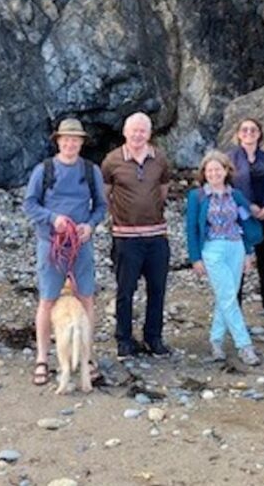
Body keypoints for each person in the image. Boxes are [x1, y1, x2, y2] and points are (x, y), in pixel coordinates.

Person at [24, 118, 106, 386]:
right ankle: (42, 359)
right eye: (66, 139)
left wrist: (90, 226)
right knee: (47, 300)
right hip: (51, 244)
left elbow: (101, 206)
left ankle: (87, 356)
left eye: (75, 139)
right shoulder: (44, 170)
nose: (70, 144)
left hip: (80, 244)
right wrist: (52, 219)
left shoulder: (91, 170)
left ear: (81, 142)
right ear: (58, 141)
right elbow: (30, 204)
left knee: (86, 298)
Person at [101, 112, 171, 360]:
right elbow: (105, 194)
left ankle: (154, 338)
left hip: (156, 235)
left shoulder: (160, 159)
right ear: (125, 132)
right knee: (125, 291)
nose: (138, 135)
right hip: (125, 237)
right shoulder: (111, 161)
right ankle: (124, 340)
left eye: (143, 131)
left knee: (157, 289)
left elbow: (163, 191)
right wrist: (120, 216)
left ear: (149, 134)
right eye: (134, 130)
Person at [186, 150, 262, 366]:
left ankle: (216, 341)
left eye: (217, 169)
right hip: (212, 248)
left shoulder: (235, 195)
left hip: (236, 247)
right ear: (204, 173)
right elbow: (191, 228)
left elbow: (245, 223)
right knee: (228, 296)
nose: (213, 173)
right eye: (209, 170)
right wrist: (195, 258)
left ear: (226, 170)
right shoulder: (197, 196)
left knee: (226, 296)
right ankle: (244, 346)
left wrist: (248, 252)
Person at [228, 117, 264, 334]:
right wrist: (248, 206)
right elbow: (225, 188)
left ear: (260, 134)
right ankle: (236, 317)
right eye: (245, 129)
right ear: (239, 134)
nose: (249, 133)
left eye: (253, 130)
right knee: (238, 267)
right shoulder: (230, 159)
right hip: (239, 219)